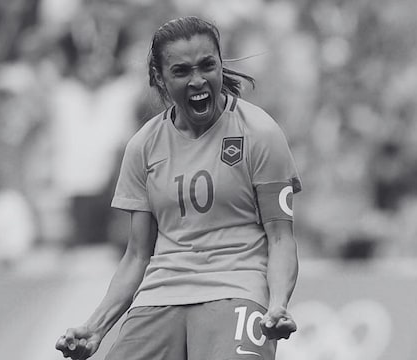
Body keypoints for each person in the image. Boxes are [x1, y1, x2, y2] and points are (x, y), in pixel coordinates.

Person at [56, 16, 302, 360]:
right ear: (159, 77)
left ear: (220, 64)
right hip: (160, 294)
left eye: (207, 66)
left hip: (238, 285)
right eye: (182, 71)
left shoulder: (260, 133)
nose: (198, 80)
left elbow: (280, 238)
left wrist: (277, 304)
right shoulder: (143, 147)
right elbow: (138, 255)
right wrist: (95, 327)